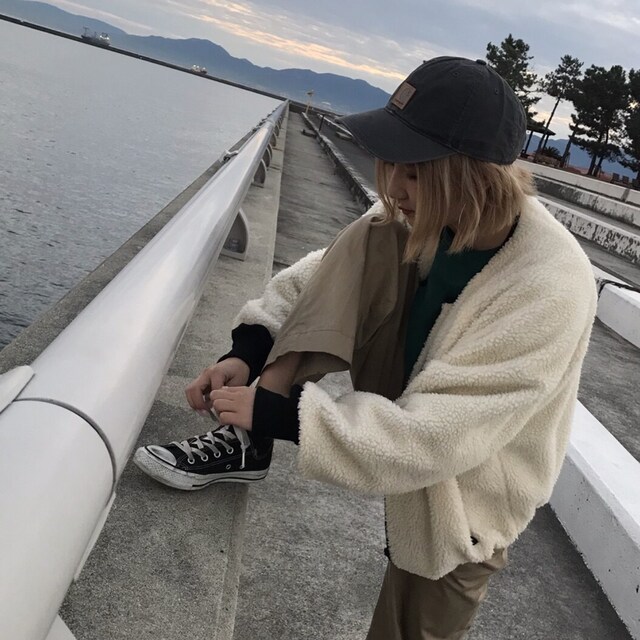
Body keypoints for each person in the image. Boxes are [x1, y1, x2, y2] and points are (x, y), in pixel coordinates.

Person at [134, 57, 597, 639]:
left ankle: (263, 421)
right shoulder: (424, 214)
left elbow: (438, 436)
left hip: (464, 499)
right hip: (405, 399)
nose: (394, 187)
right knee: (369, 236)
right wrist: (247, 352)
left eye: (415, 172)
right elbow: (317, 277)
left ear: (474, 176)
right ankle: (248, 442)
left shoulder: (550, 287)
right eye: (392, 163)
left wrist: (285, 417)